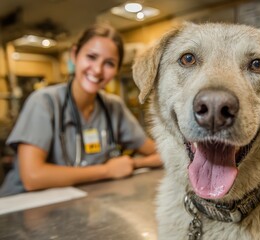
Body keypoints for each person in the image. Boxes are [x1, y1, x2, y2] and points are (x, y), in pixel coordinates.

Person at [0, 24, 162, 197]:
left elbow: (162, 153)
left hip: (78, 204)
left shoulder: (113, 107)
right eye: (91, 57)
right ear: (74, 55)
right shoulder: (44, 102)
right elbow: (33, 177)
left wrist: (131, 164)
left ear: (116, 70)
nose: (98, 69)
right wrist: (107, 170)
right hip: (20, 206)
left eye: (109, 63)